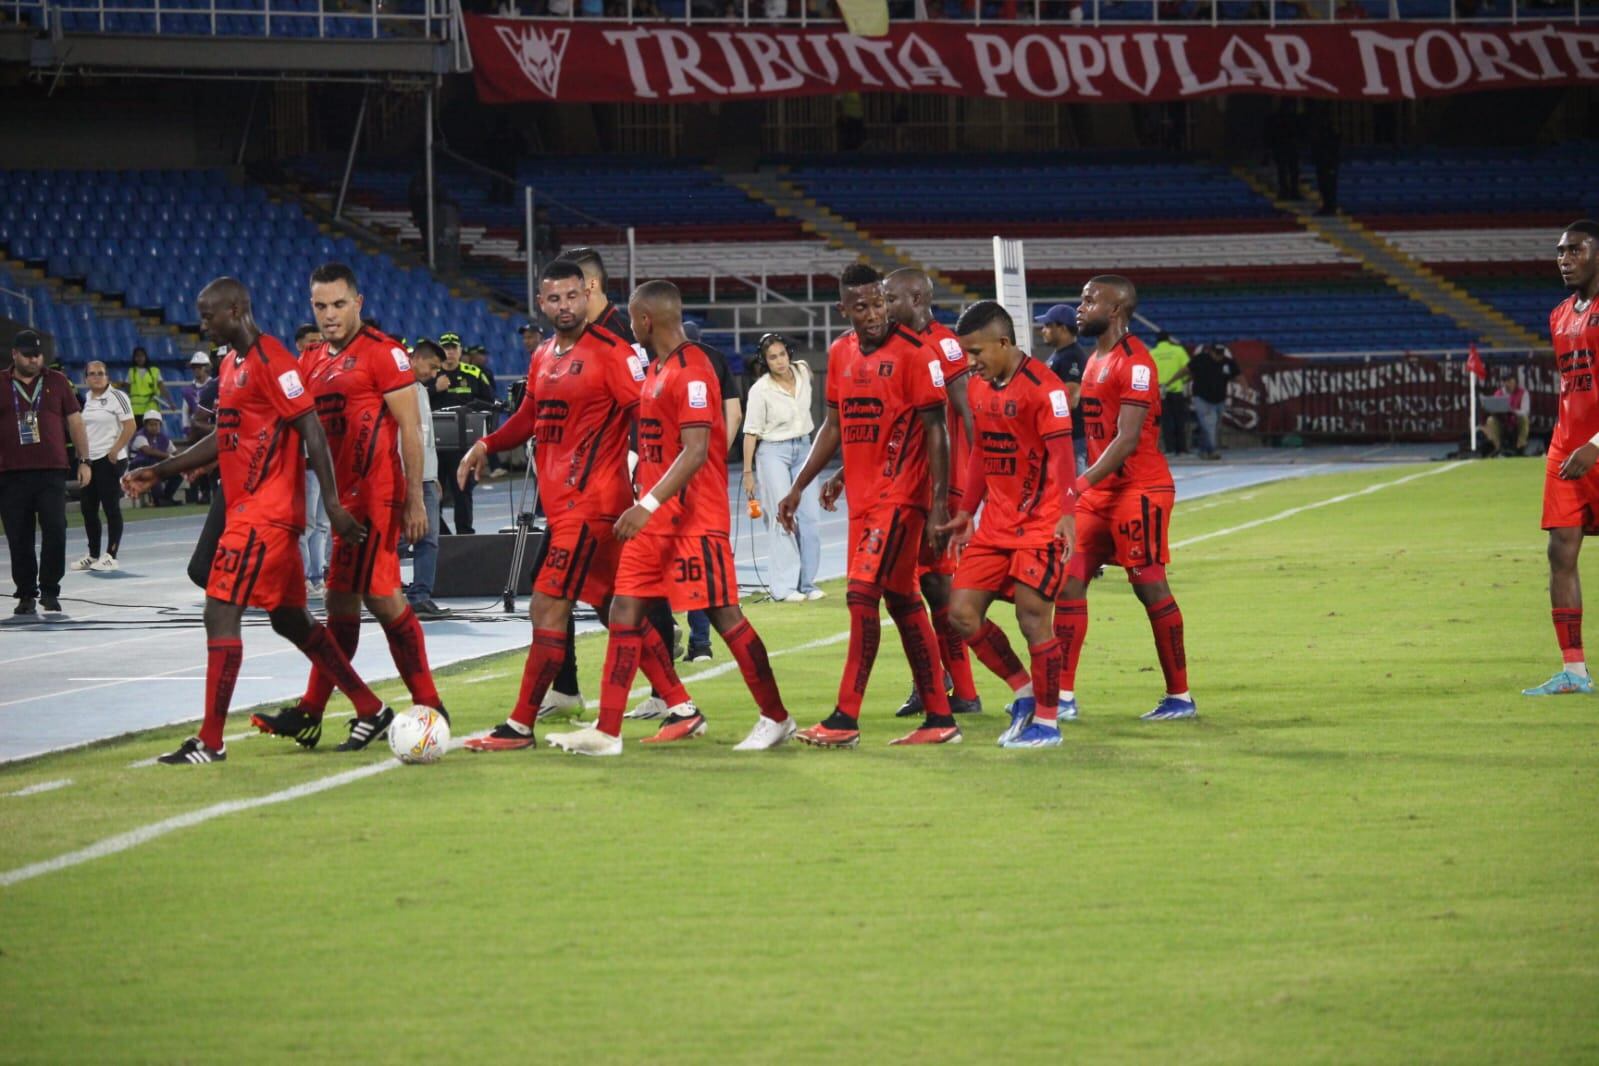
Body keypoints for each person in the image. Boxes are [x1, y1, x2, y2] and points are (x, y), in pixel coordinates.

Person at [122, 277, 397, 764]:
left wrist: (332, 505)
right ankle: (371, 708)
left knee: (219, 610)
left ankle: (210, 741)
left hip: (264, 515)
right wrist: (162, 470)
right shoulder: (232, 364)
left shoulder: (273, 360)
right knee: (290, 619)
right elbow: (224, 435)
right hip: (250, 513)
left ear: (235, 310)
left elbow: (311, 429)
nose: (203, 325)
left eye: (208, 316)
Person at [543, 280, 796, 755]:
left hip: (694, 519)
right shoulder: (656, 369)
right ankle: (607, 731)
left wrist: (647, 504)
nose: (630, 326)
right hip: (656, 518)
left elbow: (697, 451)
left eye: (632, 319)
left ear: (644, 320)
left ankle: (777, 717)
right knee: (623, 610)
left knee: (725, 615)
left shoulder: (694, 369)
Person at [460, 261, 686, 751]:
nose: (563, 306)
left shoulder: (614, 353)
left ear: (587, 296)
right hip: (563, 507)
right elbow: (530, 415)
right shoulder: (543, 355)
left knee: (546, 605)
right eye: (554, 298)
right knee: (612, 607)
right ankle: (682, 706)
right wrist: (486, 445)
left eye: (571, 296)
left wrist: (651, 488)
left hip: (593, 505)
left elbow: (648, 414)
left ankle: (520, 725)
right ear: (541, 302)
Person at [250, 263, 445, 750]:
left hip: (378, 497)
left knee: (381, 599)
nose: (330, 314)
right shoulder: (312, 360)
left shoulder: (384, 354)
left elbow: (410, 429)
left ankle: (428, 704)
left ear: (357, 303)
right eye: (321, 306)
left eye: (339, 304)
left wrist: (415, 499)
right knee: (341, 605)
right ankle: (313, 711)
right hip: (342, 504)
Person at [777, 263, 959, 747]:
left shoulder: (916, 354)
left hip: (900, 499)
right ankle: (940, 718)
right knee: (903, 601)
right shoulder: (840, 353)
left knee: (861, 597)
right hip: (863, 503)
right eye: (862, 307)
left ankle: (845, 719)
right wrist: (800, 486)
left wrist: (939, 503)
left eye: (879, 303)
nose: (875, 314)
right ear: (844, 309)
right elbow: (835, 426)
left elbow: (937, 431)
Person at [938, 301, 1077, 749]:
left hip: (1040, 524)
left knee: (1033, 618)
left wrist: (1068, 513)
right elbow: (982, 451)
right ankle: (1024, 691)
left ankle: (1048, 724)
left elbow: (1063, 456)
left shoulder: (1044, 388)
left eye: (976, 352)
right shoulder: (979, 388)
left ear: (1003, 342)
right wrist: (967, 511)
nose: (970, 362)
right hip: (995, 526)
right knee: (961, 614)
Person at [1058, 275, 1196, 722]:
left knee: (1148, 585)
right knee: (1068, 579)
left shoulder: (1136, 362)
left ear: (1115, 309)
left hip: (1140, 490)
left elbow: (1127, 439)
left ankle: (1180, 696)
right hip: (1099, 493)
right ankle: (1061, 696)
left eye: (1089, 300)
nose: (1080, 308)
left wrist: (1078, 484)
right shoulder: (1095, 359)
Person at [881, 267, 1007, 720]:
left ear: (916, 299)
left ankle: (951, 686)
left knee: (926, 586)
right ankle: (941, 684)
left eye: (890, 298)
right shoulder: (899, 346)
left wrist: (979, 484)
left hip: (942, 485)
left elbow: (967, 413)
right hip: (908, 483)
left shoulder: (945, 345)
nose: (884, 307)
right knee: (921, 585)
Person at [1523, 220, 1599, 696]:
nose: (1565, 260)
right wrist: (1570, 442)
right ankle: (1574, 671)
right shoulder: (1557, 316)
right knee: (1560, 551)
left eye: (1575, 250)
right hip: (1567, 451)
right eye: (1560, 252)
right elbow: (1575, 387)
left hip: (1596, 448)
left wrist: (1597, 444)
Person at [1, 329, 90, 616]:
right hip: (11, 473)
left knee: (56, 530)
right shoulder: (1, 382)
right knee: (19, 536)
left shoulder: (58, 381)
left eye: (38, 355)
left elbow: (75, 422)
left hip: (51, 470)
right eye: (28, 355)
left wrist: (84, 460)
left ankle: (50, 590)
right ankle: (26, 593)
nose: (34, 360)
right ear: (14, 354)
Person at [741, 332, 823, 604]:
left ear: (790, 354)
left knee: (810, 518)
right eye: (772, 357)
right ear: (765, 361)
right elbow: (750, 433)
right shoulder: (760, 390)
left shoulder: (803, 371)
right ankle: (784, 588)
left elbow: (806, 372)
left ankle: (807, 583)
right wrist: (748, 473)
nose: (779, 361)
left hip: (804, 448)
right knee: (782, 518)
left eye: (782, 354)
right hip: (773, 452)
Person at [681, 319, 744, 664]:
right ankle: (700, 642)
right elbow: (734, 413)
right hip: (706, 470)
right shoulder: (716, 360)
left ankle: (663, 629)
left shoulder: (663, 362)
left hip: (666, 466)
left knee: (656, 553)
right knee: (701, 555)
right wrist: (717, 451)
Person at [72, 360, 135, 572]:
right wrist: (82, 458)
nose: (97, 377)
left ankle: (111, 555)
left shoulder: (118, 397)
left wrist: (115, 450)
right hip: (90, 461)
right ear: (85, 378)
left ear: (108, 376)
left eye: (101, 373)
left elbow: (130, 425)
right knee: (88, 509)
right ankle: (93, 554)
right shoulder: (87, 399)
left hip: (110, 459)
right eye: (92, 374)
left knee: (110, 507)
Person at [404, 340, 452, 620]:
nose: (433, 374)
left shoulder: (421, 390)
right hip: (405, 476)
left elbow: (426, 439)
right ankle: (379, 590)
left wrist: (433, 476)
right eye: (432, 367)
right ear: (416, 358)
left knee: (429, 539)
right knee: (397, 540)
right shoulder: (397, 389)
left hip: (426, 477)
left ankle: (420, 597)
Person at [433, 331, 493, 535]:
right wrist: (434, 388)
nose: (449, 352)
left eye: (453, 348)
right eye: (445, 348)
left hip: (463, 446)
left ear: (460, 351)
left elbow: (491, 404)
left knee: (463, 491)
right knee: (433, 494)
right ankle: (440, 536)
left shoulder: (474, 374)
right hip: (434, 447)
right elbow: (416, 399)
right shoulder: (431, 375)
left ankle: (465, 535)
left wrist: (486, 439)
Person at [294, 324, 330, 591]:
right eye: (311, 341)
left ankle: (318, 576)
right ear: (299, 345)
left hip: (327, 461)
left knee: (323, 523)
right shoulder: (293, 376)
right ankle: (304, 576)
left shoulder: (328, 373)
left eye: (320, 340)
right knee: (305, 523)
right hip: (306, 461)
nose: (317, 345)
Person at [1037, 303, 1089, 474]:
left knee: (1075, 486)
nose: (1043, 330)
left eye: (1048, 325)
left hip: (1072, 438)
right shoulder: (1060, 354)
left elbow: (1071, 399)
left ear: (1063, 328)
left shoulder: (1071, 356)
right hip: (1063, 435)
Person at [1188, 342, 1240, 460]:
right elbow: (1186, 370)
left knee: (1213, 425)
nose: (1219, 356)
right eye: (1217, 353)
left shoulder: (1227, 362)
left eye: (1221, 353)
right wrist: (1172, 381)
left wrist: (1245, 388)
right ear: (1211, 352)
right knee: (1209, 424)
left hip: (1219, 399)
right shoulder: (1201, 359)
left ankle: (1203, 450)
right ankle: (1212, 450)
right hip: (1202, 398)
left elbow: (1238, 375)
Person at [1148, 331, 1191, 456]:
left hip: (1160, 392)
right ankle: (1182, 449)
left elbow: (1148, 372)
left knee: (1166, 421)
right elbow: (1187, 368)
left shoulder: (1152, 353)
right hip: (1176, 390)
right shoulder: (1178, 351)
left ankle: (1169, 449)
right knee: (1179, 420)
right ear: (1169, 339)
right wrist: (1184, 380)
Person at [128, 410, 181, 505]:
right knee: (153, 467)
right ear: (145, 425)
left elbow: (175, 452)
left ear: (160, 425)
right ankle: (158, 499)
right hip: (136, 468)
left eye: (156, 424)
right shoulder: (140, 436)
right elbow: (149, 451)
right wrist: (169, 456)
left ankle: (166, 498)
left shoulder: (163, 438)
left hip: (155, 466)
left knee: (178, 473)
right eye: (151, 425)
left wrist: (179, 462)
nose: (154, 427)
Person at [1482, 369, 1531, 458]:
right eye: (1505, 381)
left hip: (1516, 422)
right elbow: (1494, 408)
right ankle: (1498, 448)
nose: (1507, 383)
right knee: (1490, 420)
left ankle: (1520, 447)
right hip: (1502, 423)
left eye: (1509, 380)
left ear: (1514, 381)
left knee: (1524, 418)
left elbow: (1525, 411)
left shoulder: (1523, 393)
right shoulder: (1498, 393)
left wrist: (1513, 411)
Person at [125, 345, 169, 416]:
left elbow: (162, 388)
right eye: (137, 356)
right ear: (134, 358)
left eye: (142, 356)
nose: (140, 358)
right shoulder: (131, 372)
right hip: (136, 410)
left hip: (151, 408)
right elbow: (127, 389)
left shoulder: (155, 371)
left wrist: (170, 402)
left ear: (145, 357)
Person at [179, 350, 212, 433]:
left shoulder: (214, 386)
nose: (196, 370)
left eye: (199, 367)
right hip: (196, 430)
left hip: (212, 428)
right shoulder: (189, 390)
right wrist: (186, 427)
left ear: (207, 367)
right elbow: (185, 411)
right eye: (194, 367)